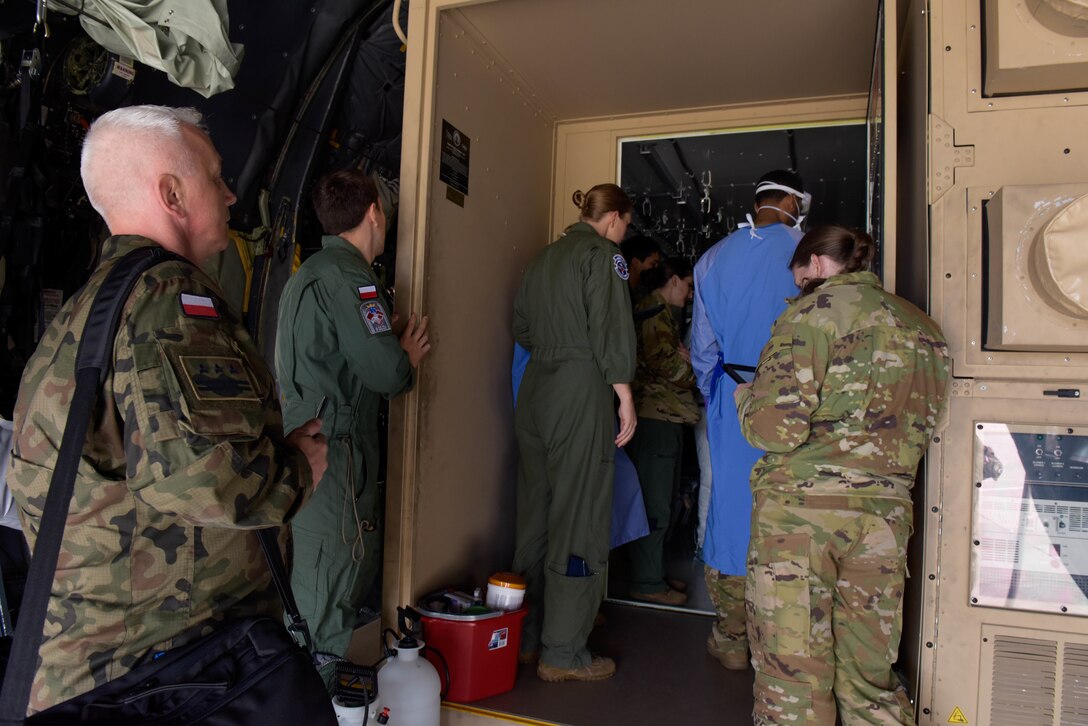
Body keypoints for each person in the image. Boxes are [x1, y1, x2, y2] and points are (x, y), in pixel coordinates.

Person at [7, 105, 327, 715]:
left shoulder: (81, 317)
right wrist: (301, 470)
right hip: (177, 672)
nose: (232, 193)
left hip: (101, 676)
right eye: (215, 175)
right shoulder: (168, 299)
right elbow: (202, 478)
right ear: (172, 193)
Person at [736, 224, 950, 725]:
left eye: (798, 276)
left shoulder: (808, 316)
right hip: (883, 518)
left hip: (800, 522)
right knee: (869, 676)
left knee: (794, 675)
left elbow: (775, 429)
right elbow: (930, 420)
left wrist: (745, 398)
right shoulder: (923, 327)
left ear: (813, 265)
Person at [275, 169, 430, 686]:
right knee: (326, 591)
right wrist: (403, 355)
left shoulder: (310, 273)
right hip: (335, 451)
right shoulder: (351, 276)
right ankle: (308, 701)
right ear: (374, 215)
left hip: (316, 444)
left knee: (321, 586)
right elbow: (386, 374)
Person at [511, 183, 636, 682]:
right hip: (579, 389)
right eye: (625, 226)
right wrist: (623, 393)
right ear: (613, 220)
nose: (623, 236)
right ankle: (562, 651)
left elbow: (521, 327)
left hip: (536, 388)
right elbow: (612, 328)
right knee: (578, 513)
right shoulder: (603, 256)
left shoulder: (542, 259)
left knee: (536, 513)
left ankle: (525, 635)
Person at [689, 169, 809, 670]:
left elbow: (702, 348)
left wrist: (716, 394)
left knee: (734, 508)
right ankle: (786, 638)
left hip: (732, 395)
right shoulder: (812, 254)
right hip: (801, 400)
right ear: (790, 201)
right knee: (795, 509)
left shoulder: (713, 259)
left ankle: (732, 635)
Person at [625, 257, 699, 606]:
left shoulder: (660, 313)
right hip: (656, 416)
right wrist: (698, 368)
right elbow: (669, 366)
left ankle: (651, 571)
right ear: (672, 280)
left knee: (663, 500)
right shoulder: (654, 314)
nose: (689, 294)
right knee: (654, 502)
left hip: (666, 415)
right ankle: (645, 579)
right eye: (687, 285)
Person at [619, 235, 662, 305]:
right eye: (653, 264)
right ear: (635, 262)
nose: (655, 269)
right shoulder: (620, 293)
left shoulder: (637, 293)